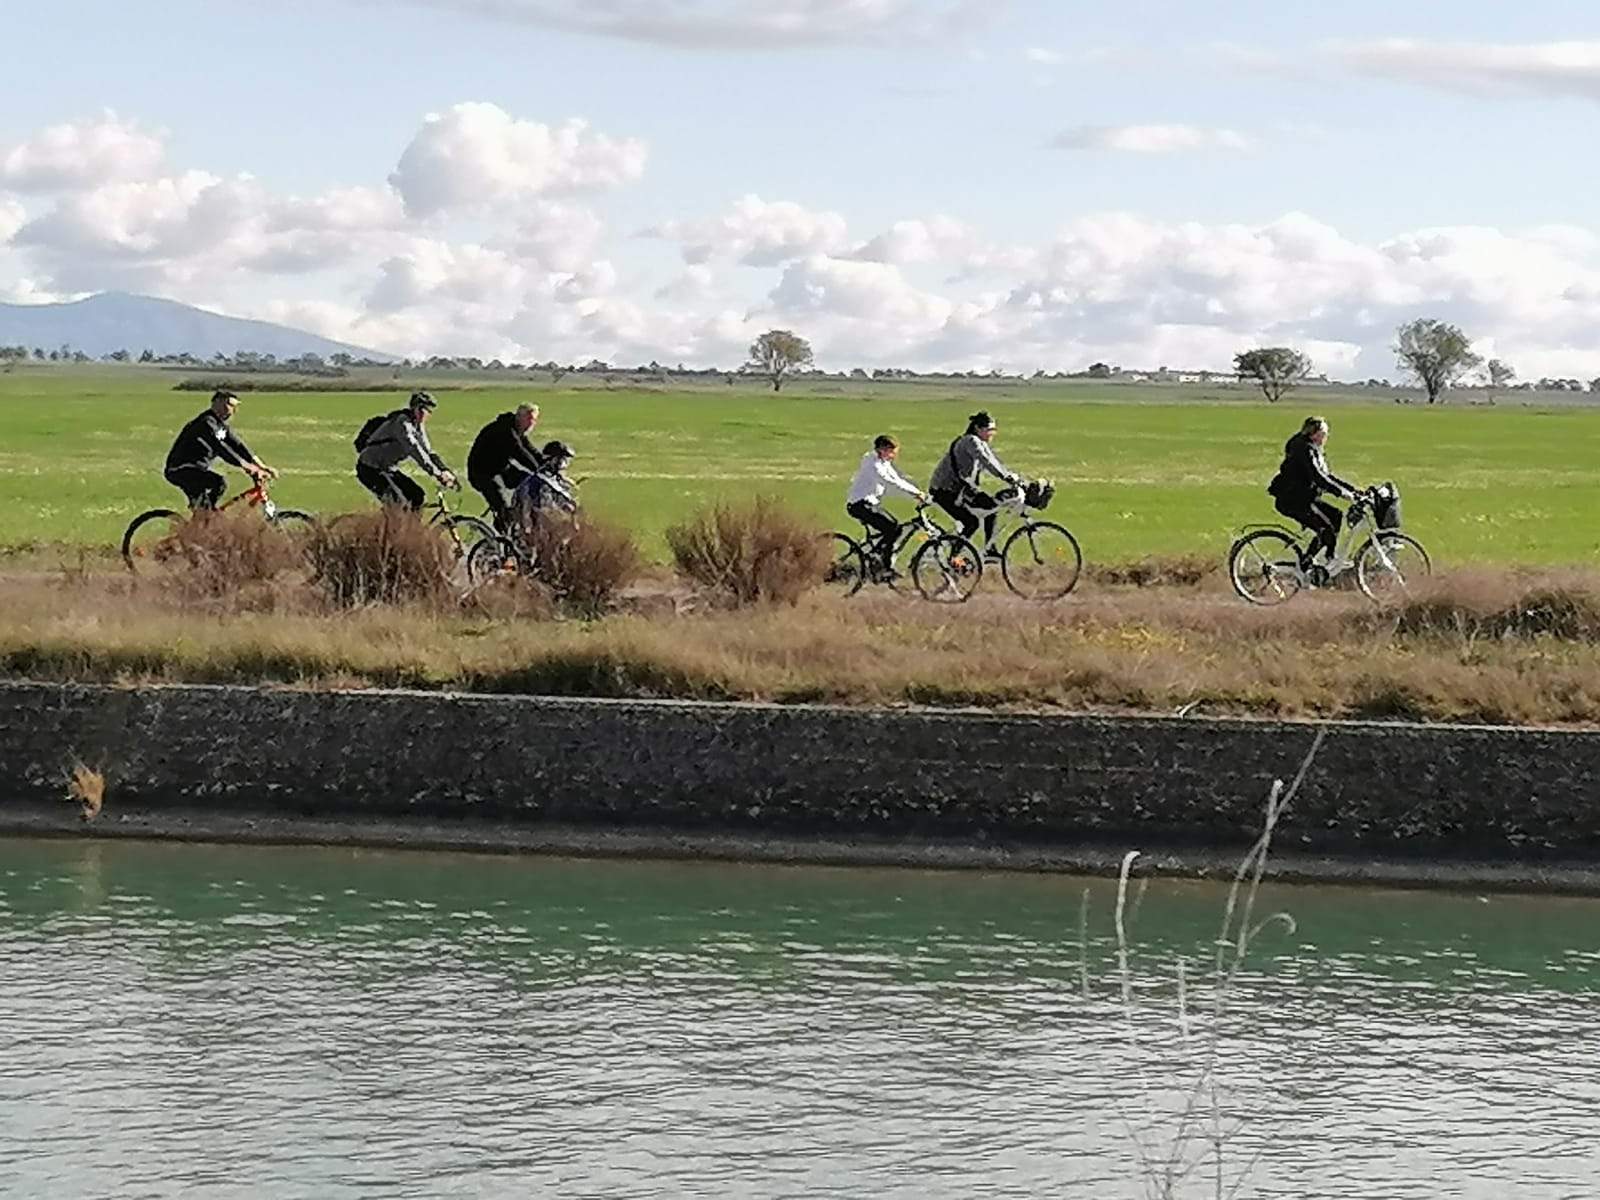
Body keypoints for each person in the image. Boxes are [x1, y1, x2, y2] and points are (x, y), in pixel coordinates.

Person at [927, 410, 1024, 559]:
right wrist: (1006, 477)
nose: (992, 433)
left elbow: (993, 461)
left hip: (959, 489)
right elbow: (986, 460)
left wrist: (1011, 476)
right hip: (944, 491)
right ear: (978, 428)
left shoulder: (979, 442)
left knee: (992, 508)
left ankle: (989, 549)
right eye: (989, 430)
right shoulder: (971, 441)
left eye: (994, 430)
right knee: (971, 522)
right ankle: (953, 558)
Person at [1267, 416, 1359, 569]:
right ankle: (1307, 565)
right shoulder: (1305, 450)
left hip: (1305, 497)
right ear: (1315, 433)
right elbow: (1318, 477)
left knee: (1336, 516)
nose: (1326, 437)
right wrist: (1341, 494)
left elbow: (1327, 476)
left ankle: (1328, 558)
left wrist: (1353, 490)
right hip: (1292, 500)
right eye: (1324, 433)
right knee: (1325, 530)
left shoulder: (1312, 448)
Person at [163, 389, 276, 509]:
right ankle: (205, 520)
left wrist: (261, 465)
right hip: (180, 469)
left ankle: (205, 520)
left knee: (209, 497)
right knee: (218, 483)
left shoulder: (220, 426)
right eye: (230, 405)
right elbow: (220, 447)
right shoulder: (206, 423)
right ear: (217, 403)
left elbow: (238, 445)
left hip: (196, 469)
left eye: (235, 407)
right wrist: (244, 465)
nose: (233, 411)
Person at [355, 391, 457, 510]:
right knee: (396, 502)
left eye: (430, 411)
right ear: (415, 409)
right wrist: (438, 474)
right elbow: (415, 450)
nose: (427, 414)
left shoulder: (417, 425)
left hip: (387, 468)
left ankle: (412, 528)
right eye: (424, 410)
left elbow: (428, 451)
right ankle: (385, 528)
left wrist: (446, 470)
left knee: (417, 496)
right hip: (369, 469)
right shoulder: (402, 424)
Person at [845, 435, 928, 575]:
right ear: (883, 450)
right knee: (892, 528)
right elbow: (890, 481)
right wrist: (916, 493)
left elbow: (897, 479)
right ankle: (885, 567)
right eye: (892, 452)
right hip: (859, 505)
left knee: (892, 528)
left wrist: (916, 494)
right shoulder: (873, 464)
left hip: (870, 503)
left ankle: (878, 557)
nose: (894, 455)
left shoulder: (883, 462)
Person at [466, 404, 545, 531]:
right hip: (482, 473)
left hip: (502, 469)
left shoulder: (518, 430)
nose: (531, 423)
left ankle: (522, 515)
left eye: (534, 420)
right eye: (529, 419)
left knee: (530, 481)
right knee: (503, 507)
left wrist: (546, 466)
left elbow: (530, 450)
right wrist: (538, 469)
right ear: (519, 417)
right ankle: (501, 539)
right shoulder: (506, 430)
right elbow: (520, 453)